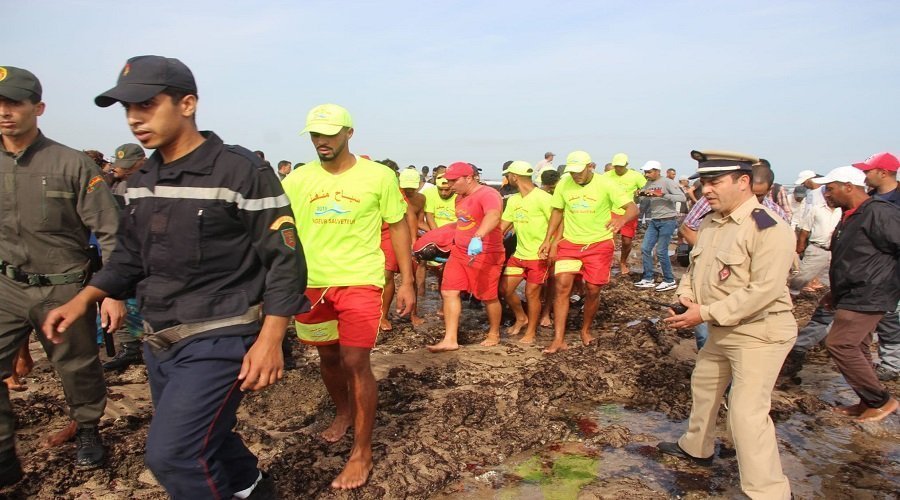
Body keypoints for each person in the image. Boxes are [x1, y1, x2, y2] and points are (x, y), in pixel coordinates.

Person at [44, 55, 307, 499]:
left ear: (187, 104)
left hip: (220, 336)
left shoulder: (241, 171)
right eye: (127, 109)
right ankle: (257, 491)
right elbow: (130, 256)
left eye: (146, 104)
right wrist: (85, 297)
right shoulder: (141, 178)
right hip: (160, 337)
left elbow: (286, 260)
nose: (134, 119)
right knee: (211, 438)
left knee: (174, 456)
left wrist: (270, 340)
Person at [0, 66, 122, 485]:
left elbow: (111, 231)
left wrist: (111, 291)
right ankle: (3, 453)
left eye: (14, 103)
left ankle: (87, 428)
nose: (5, 113)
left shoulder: (71, 164)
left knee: (77, 366)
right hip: (5, 284)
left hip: (64, 287)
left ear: (39, 107)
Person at [283, 103, 414, 489]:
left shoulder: (378, 176)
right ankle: (343, 411)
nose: (321, 141)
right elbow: (277, 225)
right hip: (310, 283)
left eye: (329, 134)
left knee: (355, 359)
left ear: (349, 133)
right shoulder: (298, 179)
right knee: (327, 355)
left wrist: (408, 281)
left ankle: (362, 452)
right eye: (315, 135)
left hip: (360, 279)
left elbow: (398, 225)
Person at [660, 150, 797, 500]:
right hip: (721, 327)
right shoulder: (711, 222)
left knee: (746, 414)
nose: (705, 190)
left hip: (759, 332)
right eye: (703, 183)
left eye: (714, 182)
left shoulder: (768, 225)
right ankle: (696, 447)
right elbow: (695, 270)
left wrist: (703, 314)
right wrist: (687, 298)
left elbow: (763, 290)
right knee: (704, 387)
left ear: (743, 182)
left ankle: (768, 492)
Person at [816, 166, 899, 422]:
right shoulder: (849, 215)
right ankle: (866, 400)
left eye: (830, 189)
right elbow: (849, 258)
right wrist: (834, 291)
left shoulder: (878, 212)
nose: (826, 195)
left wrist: (886, 283)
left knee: (840, 343)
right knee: (859, 346)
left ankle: (881, 401)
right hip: (851, 291)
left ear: (848, 187)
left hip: (870, 291)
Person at [538, 151, 637, 353]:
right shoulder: (564, 184)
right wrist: (548, 240)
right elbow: (557, 211)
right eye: (572, 172)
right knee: (562, 286)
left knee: (593, 289)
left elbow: (632, 208)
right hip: (570, 243)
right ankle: (558, 339)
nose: (576, 176)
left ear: (590, 166)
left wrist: (622, 219)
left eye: (579, 171)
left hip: (598, 244)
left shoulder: (606, 184)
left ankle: (585, 330)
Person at [428, 161, 505, 351]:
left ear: (468, 178)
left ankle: (494, 332)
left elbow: (494, 215)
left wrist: (478, 236)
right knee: (449, 291)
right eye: (448, 181)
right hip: (459, 252)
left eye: (454, 181)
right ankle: (450, 339)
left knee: (488, 297)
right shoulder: (459, 197)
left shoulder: (488, 194)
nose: (449, 185)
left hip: (486, 252)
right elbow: (462, 224)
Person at [103, 143, 148, 371]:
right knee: (120, 300)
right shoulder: (115, 186)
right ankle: (130, 348)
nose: (127, 171)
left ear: (143, 160)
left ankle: (152, 346)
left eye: (131, 166)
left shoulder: (155, 181)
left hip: (151, 253)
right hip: (125, 250)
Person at [498, 161, 553, 344]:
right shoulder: (513, 200)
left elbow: (557, 223)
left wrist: (550, 246)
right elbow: (503, 227)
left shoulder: (543, 198)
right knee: (505, 289)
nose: (507, 178)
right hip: (519, 254)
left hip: (538, 256)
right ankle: (521, 317)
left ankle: (531, 332)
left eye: (508, 175)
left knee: (532, 294)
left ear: (514, 176)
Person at [633, 161, 685, 291]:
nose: (646, 174)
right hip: (655, 220)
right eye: (645, 172)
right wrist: (639, 195)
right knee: (645, 248)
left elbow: (682, 197)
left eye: (649, 172)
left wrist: (663, 195)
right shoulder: (648, 183)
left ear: (657, 171)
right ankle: (648, 278)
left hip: (667, 220)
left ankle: (669, 280)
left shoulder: (667, 182)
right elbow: (643, 199)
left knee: (661, 251)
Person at [602, 153, 645, 275]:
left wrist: (641, 192)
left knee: (626, 241)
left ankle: (623, 262)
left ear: (626, 164)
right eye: (616, 166)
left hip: (628, 212)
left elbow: (646, 188)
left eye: (621, 166)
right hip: (611, 211)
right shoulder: (606, 176)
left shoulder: (635, 176)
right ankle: (607, 263)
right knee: (610, 240)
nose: (618, 168)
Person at [788, 195, 840, 295]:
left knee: (831, 278)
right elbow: (805, 229)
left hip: (835, 249)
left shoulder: (841, 211)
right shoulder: (816, 209)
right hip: (817, 247)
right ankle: (791, 293)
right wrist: (800, 245)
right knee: (803, 275)